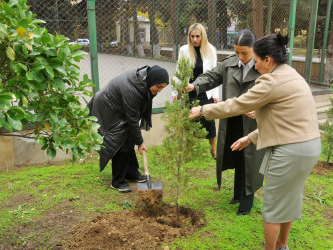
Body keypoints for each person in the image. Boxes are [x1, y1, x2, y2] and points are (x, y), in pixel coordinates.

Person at [190, 33, 321, 250]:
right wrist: (250, 138)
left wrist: (203, 109)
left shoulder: (270, 80)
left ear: (268, 60)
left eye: (257, 61)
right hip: (310, 146)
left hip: (289, 151)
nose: (255, 66)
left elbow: (237, 105)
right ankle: (282, 245)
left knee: (272, 207)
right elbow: (286, 122)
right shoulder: (293, 74)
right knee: (290, 198)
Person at [187, 29, 266, 216]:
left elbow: (273, 93)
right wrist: (194, 85)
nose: (240, 56)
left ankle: (247, 201)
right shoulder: (230, 63)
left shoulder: (264, 67)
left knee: (250, 160)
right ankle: (237, 194)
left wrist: (260, 110)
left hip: (252, 123)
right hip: (232, 120)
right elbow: (212, 76)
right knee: (237, 155)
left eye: (244, 52)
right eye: (237, 51)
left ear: (254, 49)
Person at [88, 65, 169, 193]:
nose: (159, 90)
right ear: (152, 80)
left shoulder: (144, 82)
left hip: (118, 106)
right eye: (158, 87)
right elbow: (132, 119)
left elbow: (134, 117)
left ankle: (131, 173)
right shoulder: (133, 90)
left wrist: (137, 139)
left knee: (129, 137)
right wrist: (140, 142)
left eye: (162, 88)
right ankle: (118, 181)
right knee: (121, 141)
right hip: (107, 107)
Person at [172, 23, 220, 158]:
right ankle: (189, 150)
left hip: (205, 91)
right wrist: (175, 91)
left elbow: (215, 74)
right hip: (189, 91)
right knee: (189, 120)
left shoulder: (211, 50)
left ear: (203, 36)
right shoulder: (184, 50)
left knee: (208, 120)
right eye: (192, 36)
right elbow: (179, 70)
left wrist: (216, 94)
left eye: (197, 36)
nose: (194, 39)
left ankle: (213, 149)